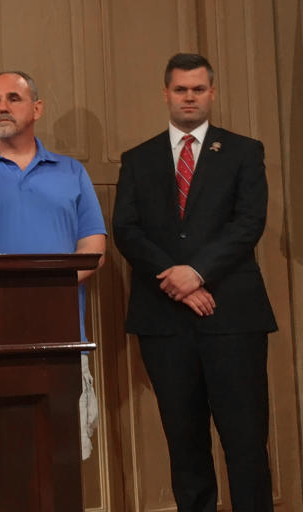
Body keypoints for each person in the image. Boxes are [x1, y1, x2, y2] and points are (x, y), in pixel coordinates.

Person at [113, 53, 275, 511]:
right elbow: (126, 230)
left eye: (198, 89)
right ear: (166, 93)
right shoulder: (138, 159)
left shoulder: (244, 151)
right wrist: (176, 279)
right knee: (185, 446)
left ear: (212, 93)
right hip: (165, 322)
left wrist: (198, 272)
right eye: (181, 89)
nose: (189, 97)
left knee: (245, 443)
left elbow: (248, 223)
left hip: (233, 318)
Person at [0, 70, 106, 458]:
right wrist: (28, 288)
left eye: (14, 98)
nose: (2, 108)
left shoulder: (71, 171)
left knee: (62, 461)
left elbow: (94, 249)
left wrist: (40, 289)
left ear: (37, 108)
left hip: (61, 341)